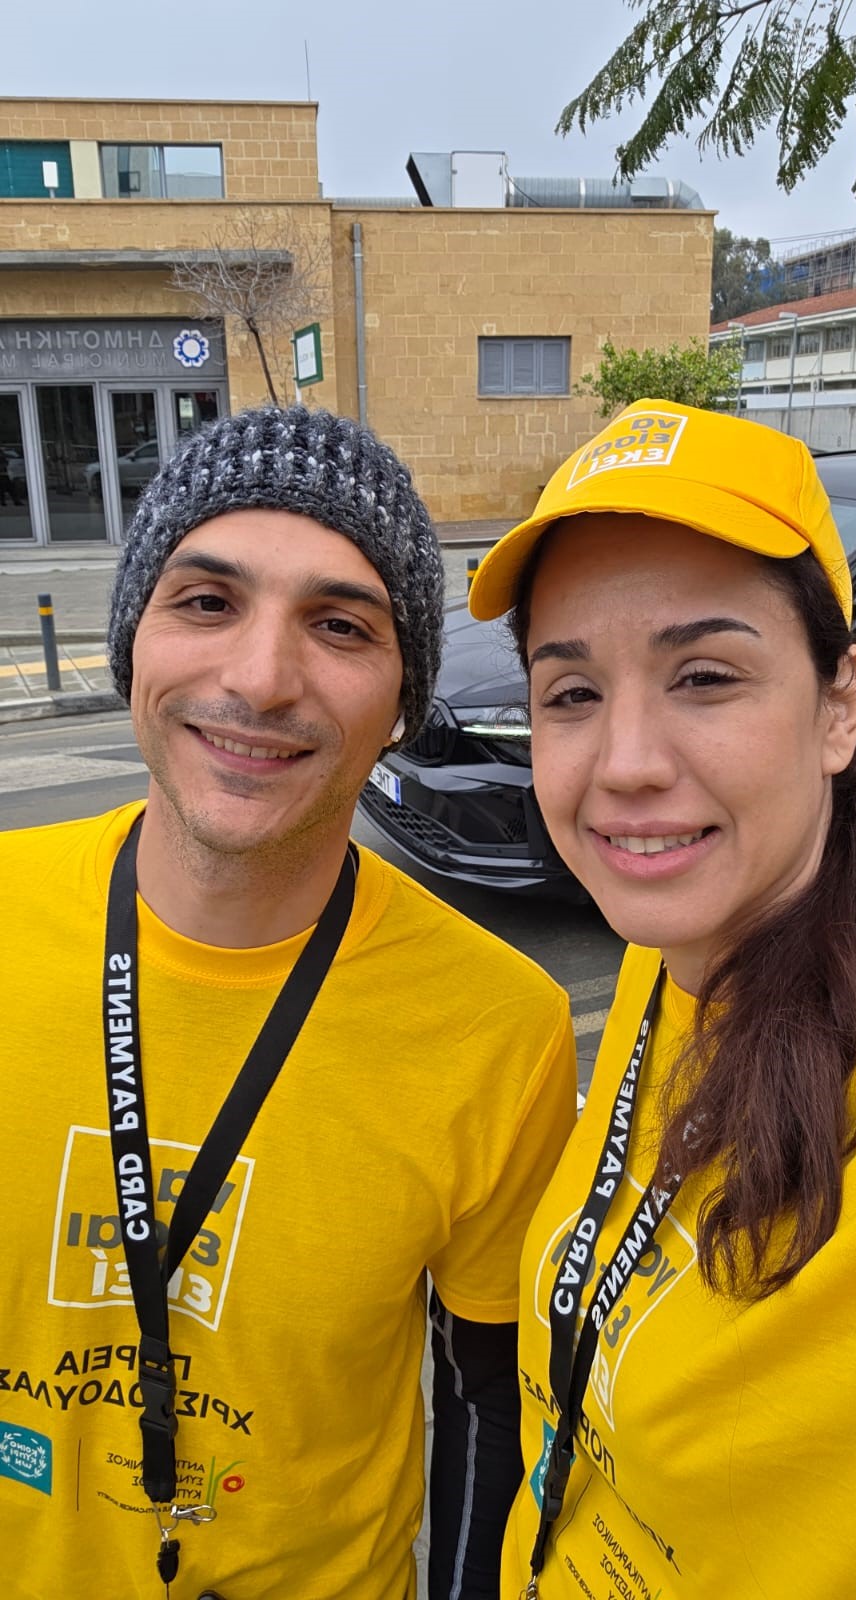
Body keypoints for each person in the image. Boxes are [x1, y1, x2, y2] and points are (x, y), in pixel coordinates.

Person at [0, 404, 576, 1600]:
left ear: (403, 702)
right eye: (207, 602)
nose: (260, 679)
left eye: (341, 625)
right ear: (135, 644)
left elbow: (486, 1404)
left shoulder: (499, 1028)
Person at [468, 399, 856, 1599]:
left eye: (704, 676)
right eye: (571, 693)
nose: (627, 763)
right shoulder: (665, 957)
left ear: (839, 703)